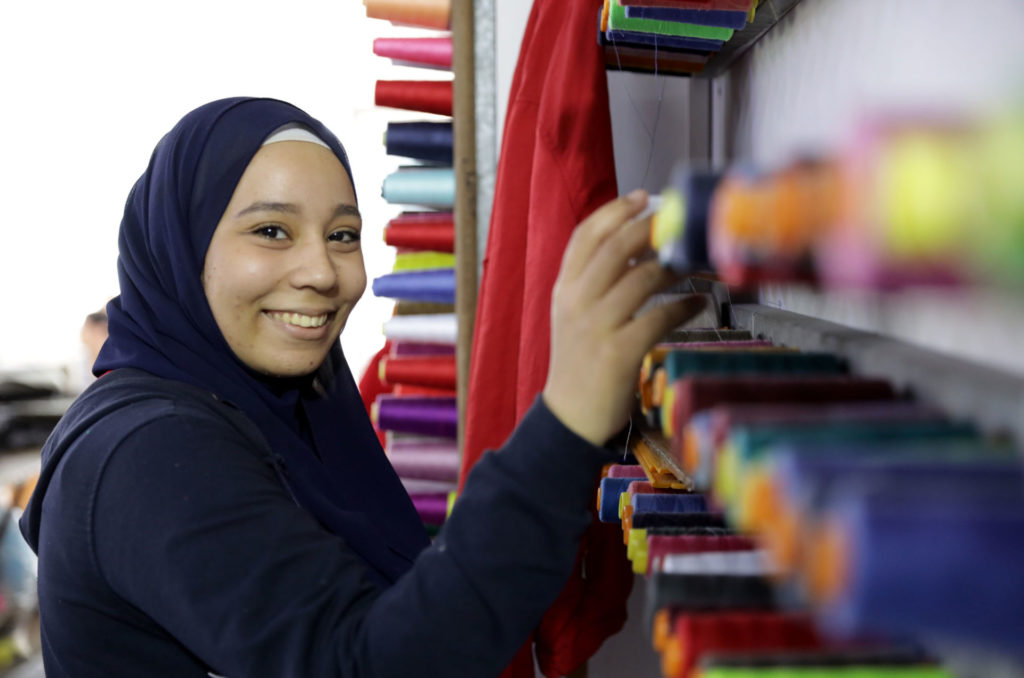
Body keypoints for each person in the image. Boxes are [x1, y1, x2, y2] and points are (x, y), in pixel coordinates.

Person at [19, 97, 704, 677]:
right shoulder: (149, 451)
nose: (323, 271)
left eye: (342, 234)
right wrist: (567, 420)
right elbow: (367, 662)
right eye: (271, 231)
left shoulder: (276, 414)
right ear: (179, 250)